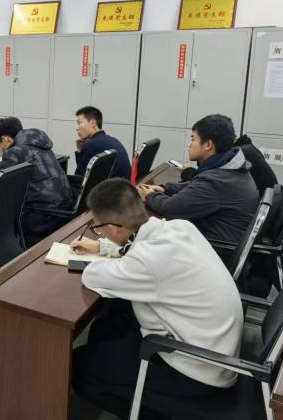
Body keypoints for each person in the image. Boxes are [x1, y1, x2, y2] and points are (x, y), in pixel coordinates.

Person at [70, 179, 243, 419]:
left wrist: (101, 254)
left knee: (81, 365)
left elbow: (93, 276)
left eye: (98, 228)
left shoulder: (147, 261)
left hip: (196, 370)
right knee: (106, 326)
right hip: (215, 351)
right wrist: (103, 247)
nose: (100, 232)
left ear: (112, 228)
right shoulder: (180, 227)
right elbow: (141, 251)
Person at [138, 114, 259, 243]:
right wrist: (165, 189)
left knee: (147, 233)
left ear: (208, 145)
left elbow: (171, 208)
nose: (189, 145)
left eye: (193, 139)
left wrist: (149, 196)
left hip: (215, 248)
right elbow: (196, 185)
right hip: (221, 237)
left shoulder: (216, 181)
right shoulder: (229, 168)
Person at [0, 117, 72, 245]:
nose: (2, 150)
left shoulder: (15, 152)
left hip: (43, 216)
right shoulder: (38, 142)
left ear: (5, 139)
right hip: (65, 207)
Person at [74, 106, 131, 179]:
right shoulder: (111, 140)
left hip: (111, 185)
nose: (77, 128)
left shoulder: (91, 145)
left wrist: (79, 151)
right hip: (123, 184)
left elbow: (79, 177)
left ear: (92, 123)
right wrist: (80, 148)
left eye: (79, 123)